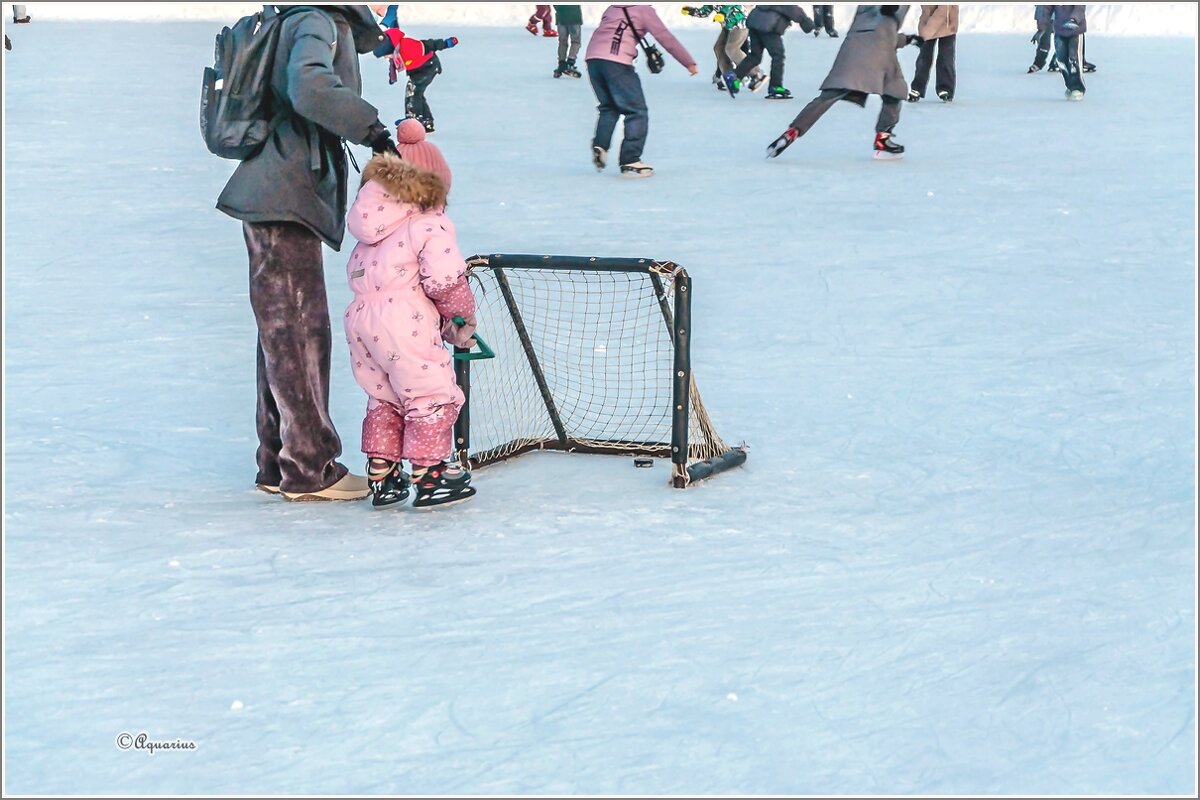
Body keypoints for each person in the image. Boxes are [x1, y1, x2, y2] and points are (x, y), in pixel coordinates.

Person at [216, 5, 399, 502]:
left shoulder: (298, 18)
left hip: (275, 191)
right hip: (283, 191)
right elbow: (309, 86)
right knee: (299, 333)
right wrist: (372, 130)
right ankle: (310, 468)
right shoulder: (317, 21)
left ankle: (277, 463)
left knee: (283, 333)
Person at [343, 122, 479, 509]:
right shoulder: (427, 222)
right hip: (404, 320)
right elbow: (444, 279)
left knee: (384, 396)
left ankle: (383, 475)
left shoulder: (373, 224)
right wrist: (461, 319)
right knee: (429, 394)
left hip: (361, 319)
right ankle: (431, 474)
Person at [766, 5, 919, 160]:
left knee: (826, 97)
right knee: (894, 92)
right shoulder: (892, 12)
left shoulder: (863, 10)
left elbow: (881, 33)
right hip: (878, 57)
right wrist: (909, 38)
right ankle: (883, 140)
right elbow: (886, 33)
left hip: (850, 54)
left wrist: (907, 39)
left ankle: (792, 132)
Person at [584, 5, 698, 178]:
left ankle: (600, 145)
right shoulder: (643, 10)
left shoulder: (612, 8)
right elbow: (665, 37)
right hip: (617, 63)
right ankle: (630, 161)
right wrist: (688, 62)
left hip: (593, 60)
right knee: (636, 111)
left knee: (609, 107)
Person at [378, 29, 459, 134]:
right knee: (417, 93)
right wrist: (392, 77)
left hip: (429, 66)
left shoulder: (407, 45)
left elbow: (430, 44)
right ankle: (426, 121)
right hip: (419, 71)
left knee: (412, 90)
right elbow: (392, 66)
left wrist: (446, 43)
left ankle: (413, 120)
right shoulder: (395, 54)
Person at [729, 5, 815, 100]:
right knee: (778, 56)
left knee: (755, 56)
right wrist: (809, 25)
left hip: (754, 22)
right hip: (768, 27)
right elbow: (796, 12)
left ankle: (735, 77)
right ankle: (775, 86)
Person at [681, 5, 768, 95]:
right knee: (719, 48)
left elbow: (734, 5)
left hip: (739, 24)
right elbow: (706, 10)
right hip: (728, 26)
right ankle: (729, 76)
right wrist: (692, 11)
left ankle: (757, 74)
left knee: (732, 50)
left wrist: (723, 13)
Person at [907, 4, 957, 102]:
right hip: (927, 21)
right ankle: (917, 87)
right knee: (924, 57)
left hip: (947, 23)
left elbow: (942, 11)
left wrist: (925, 34)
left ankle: (945, 88)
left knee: (945, 57)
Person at [1036, 4, 1088, 100]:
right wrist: (1041, 28)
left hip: (1075, 31)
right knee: (1061, 61)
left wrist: (1074, 19)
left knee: (1073, 59)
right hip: (1059, 31)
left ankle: (1077, 88)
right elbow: (1046, 8)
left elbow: (1080, 7)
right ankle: (1070, 85)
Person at [1028, 4, 1095, 74]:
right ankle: (1039, 63)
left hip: (1060, 14)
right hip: (1051, 14)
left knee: (1066, 37)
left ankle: (1057, 62)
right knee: (1047, 40)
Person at [553, 4, 584, 78]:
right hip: (574, 17)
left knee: (562, 42)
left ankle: (561, 63)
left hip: (561, 17)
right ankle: (570, 61)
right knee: (576, 41)